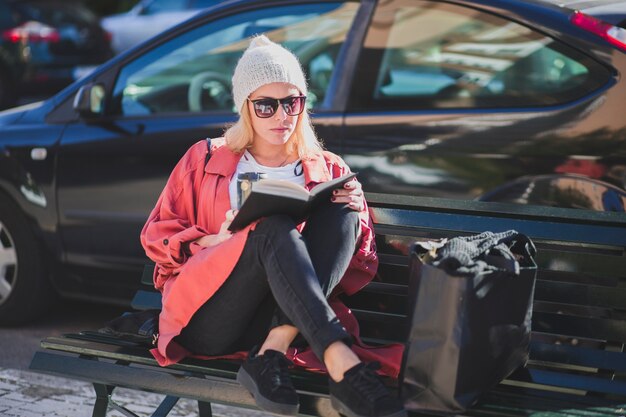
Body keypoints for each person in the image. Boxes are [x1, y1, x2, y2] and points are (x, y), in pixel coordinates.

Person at [140, 35, 406, 417]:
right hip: (209, 318)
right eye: (265, 105)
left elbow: (356, 269)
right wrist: (215, 239)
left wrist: (357, 215)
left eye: (291, 102)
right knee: (273, 227)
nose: (282, 116)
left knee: (342, 209)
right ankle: (343, 364)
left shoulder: (328, 168)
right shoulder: (204, 158)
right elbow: (155, 235)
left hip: (285, 319)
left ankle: (271, 351)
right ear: (244, 107)